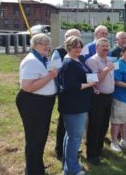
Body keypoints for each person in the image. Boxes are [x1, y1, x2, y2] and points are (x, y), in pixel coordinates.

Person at [16, 33, 58, 175]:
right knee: (34, 138)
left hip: (44, 102)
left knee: (41, 136)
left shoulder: (45, 58)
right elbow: (27, 86)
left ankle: (36, 164)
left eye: (48, 43)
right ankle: (33, 171)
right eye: (43, 43)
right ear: (34, 45)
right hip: (33, 102)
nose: (47, 46)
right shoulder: (31, 61)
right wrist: (50, 76)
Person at [58, 36, 96, 175]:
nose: (78, 49)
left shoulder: (77, 60)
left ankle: (68, 165)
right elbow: (70, 86)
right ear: (68, 47)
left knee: (71, 136)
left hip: (79, 104)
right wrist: (90, 85)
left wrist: (92, 86)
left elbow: (85, 76)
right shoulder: (68, 63)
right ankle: (72, 170)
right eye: (75, 47)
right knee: (75, 138)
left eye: (80, 46)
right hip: (73, 106)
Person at [51, 28, 81, 161]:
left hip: (78, 92)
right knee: (63, 122)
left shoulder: (80, 51)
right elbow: (53, 71)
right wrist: (59, 90)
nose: (75, 42)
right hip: (65, 92)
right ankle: (60, 150)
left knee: (74, 125)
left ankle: (72, 148)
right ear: (65, 39)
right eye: (72, 38)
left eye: (77, 38)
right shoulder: (58, 52)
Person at [85, 38, 115, 165]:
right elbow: (95, 80)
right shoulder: (92, 61)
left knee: (103, 125)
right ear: (97, 47)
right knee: (95, 126)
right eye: (103, 46)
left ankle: (99, 149)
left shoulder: (109, 60)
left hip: (108, 97)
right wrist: (106, 70)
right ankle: (92, 155)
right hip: (98, 97)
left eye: (107, 46)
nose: (105, 48)